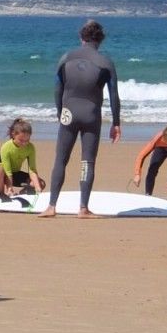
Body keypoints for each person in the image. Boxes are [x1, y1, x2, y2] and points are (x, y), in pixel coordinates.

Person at [41, 19, 121, 219]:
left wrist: (61, 113)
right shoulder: (106, 63)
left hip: (68, 112)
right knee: (87, 161)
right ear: (100, 40)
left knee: (60, 159)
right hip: (91, 115)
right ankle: (83, 208)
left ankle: (51, 206)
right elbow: (114, 96)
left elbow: (57, 89)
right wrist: (116, 123)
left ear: (81, 37)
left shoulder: (66, 58)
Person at [0, 117, 45, 200]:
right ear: (13, 134)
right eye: (21, 140)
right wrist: (9, 187)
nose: (24, 143)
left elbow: (32, 170)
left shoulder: (30, 148)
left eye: (27, 140)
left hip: (15, 173)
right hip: (0, 174)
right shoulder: (6, 147)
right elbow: (8, 171)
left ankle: (20, 195)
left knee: (41, 183)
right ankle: (1, 196)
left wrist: (38, 188)